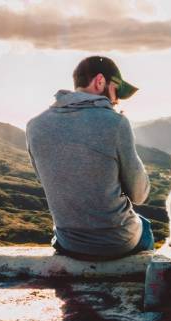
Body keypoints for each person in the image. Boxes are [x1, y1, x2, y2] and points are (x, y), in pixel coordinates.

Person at [26, 56, 154, 261]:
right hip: (116, 242)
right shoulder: (116, 123)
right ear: (100, 81)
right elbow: (139, 194)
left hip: (68, 243)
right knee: (144, 226)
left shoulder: (34, 125)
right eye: (116, 91)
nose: (116, 100)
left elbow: (50, 180)